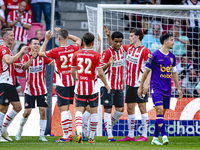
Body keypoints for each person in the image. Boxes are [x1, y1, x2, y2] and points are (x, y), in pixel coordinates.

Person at [138, 33, 183, 145]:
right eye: (172, 40)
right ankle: (164, 137)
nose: (173, 42)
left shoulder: (172, 57)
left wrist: (178, 88)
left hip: (167, 89)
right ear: (165, 42)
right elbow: (146, 71)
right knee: (158, 110)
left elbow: (174, 73)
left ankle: (154, 138)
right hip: (156, 87)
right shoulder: (154, 55)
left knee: (161, 115)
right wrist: (142, 86)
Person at [39, 28, 81, 142]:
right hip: (73, 82)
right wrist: (66, 33)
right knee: (67, 109)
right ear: (67, 38)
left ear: (58, 38)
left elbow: (40, 53)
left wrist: (46, 40)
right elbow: (78, 40)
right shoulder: (73, 48)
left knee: (63, 110)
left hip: (62, 83)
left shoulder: (55, 51)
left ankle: (66, 136)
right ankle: (69, 135)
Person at [71, 32, 110, 144]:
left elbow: (72, 71)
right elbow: (101, 73)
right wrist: (106, 84)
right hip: (92, 88)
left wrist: (76, 80)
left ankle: (79, 133)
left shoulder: (76, 54)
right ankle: (91, 138)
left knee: (78, 110)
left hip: (80, 87)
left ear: (83, 42)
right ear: (93, 43)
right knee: (93, 112)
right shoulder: (96, 55)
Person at [15, 37, 54, 141]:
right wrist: (32, 58)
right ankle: (19, 130)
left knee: (43, 111)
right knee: (27, 112)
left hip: (42, 89)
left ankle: (41, 135)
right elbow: (24, 68)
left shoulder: (43, 57)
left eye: (38, 44)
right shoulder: (26, 56)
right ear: (30, 45)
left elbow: (53, 63)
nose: (37, 45)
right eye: (35, 44)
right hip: (29, 90)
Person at [117, 28, 151, 142]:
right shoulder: (128, 48)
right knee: (130, 109)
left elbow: (149, 69)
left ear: (137, 37)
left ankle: (144, 135)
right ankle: (131, 135)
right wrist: (108, 36)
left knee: (142, 108)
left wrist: (146, 84)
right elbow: (115, 46)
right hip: (129, 84)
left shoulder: (145, 51)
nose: (129, 37)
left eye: (131, 36)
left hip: (139, 85)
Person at [0, 28, 28, 142]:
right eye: (11, 35)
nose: (13, 37)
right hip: (4, 81)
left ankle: (4, 131)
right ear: (5, 37)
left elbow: (8, 63)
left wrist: (17, 65)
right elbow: (8, 61)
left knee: (17, 107)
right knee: (3, 108)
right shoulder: (3, 49)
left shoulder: (7, 49)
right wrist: (21, 52)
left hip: (10, 82)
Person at [101, 26, 124, 142]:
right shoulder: (106, 53)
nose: (118, 44)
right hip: (108, 86)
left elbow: (120, 68)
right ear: (113, 42)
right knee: (108, 110)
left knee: (120, 110)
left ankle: (107, 126)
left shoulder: (122, 51)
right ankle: (110, 135)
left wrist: (123, 82)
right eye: (116, 42)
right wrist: (108, 64)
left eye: (120, 42)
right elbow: (100, 70)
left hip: (119, 86)